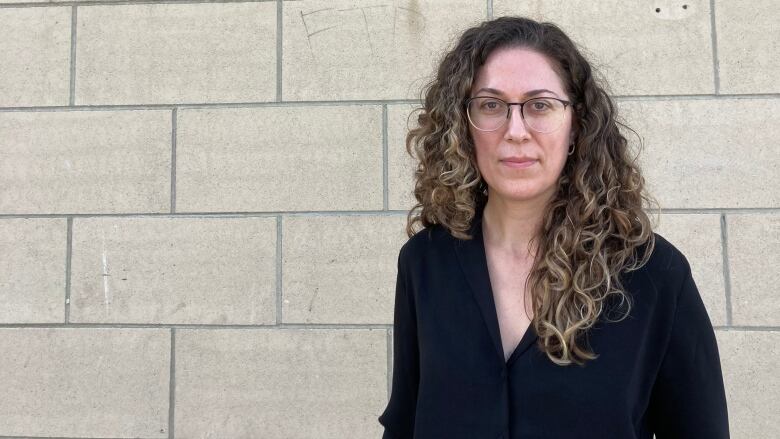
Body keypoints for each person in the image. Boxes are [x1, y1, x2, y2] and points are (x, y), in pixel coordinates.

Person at [377, 16, 729, 439]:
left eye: (540, 105)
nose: (516, 131)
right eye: (490, 105)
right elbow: (404, 424)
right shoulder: (424, 263)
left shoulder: (653, 274)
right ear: (463, 127)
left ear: (576, 124)